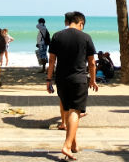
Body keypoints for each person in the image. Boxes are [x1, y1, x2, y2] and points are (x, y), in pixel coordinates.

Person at [46, 10, 98, 161]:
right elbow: (92, 63)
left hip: (61, 80)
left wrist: (49, 80)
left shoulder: (57, 36)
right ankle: (67, 145)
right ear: (81, 23)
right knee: (75, 112)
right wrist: (93, 80)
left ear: (67, 22)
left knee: (68, 111)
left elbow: (51, 61)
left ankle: (74, 145)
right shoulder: (86, 37)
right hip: (79, 79)